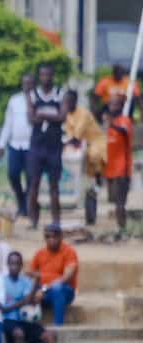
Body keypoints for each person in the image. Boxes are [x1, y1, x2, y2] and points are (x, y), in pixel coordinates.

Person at [1, 251, 78, 343]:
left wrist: (35, 288)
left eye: (17, 264)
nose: (14, 266)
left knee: (49, 336)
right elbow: (2, 309)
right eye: (12, 263)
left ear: (21, 266)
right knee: (18, 333)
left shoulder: (25, 281)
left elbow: (31, 301)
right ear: (7, 265)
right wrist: (23, 301)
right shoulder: (1, 282)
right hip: (8, 320)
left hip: (25, 320)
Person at [26, 63, 66, 229]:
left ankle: (56, 220)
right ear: (39, 76)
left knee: (54, 185)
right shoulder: (33, 94)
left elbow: (62, 117)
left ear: (52, 76)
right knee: (34, 183)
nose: (45, 78)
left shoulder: (59, 93)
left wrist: (42, 114)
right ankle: (34, 220)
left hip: (54, 147)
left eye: (48, 75)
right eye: (42, 75)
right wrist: (51, 115)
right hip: (37, 146)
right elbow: (31, 118)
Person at [0, 73, 34, 217]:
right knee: (13, 174)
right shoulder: (14, 100)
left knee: (31, 178)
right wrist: (1, 144)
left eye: (30, 83)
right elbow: (8, 123)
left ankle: (28, 206)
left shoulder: (38, 99)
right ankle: (21, 201)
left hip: (32, 146)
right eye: (25, 83)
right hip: (15, 145)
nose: (28, 86)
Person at [28, 224, 77, 326]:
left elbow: (66, 278)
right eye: (47, 237)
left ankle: (57, 327)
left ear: (61, 237)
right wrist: (35, 289)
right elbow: (31, 274)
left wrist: (44, 288)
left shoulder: (69, 252)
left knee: (57, 288)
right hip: (42, 292)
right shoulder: (40, 253)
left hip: (64, 292)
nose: (51, 239)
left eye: (54, 236)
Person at [63, 90, 107, 196]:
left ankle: (99, 182)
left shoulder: (84, 113)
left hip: (96, 141)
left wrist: (66, 142)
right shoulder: (67, 115)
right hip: (82, 143)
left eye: (69, 101)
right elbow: (69, 135)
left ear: (75, 101)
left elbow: (77, 135)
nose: (67, 104)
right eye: (65, 102)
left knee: (93, 155)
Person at [104, 94, 133, 237]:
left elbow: (123, 131)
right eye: (110, 104)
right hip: (110, 170)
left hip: (122, 170)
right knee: (115, 202)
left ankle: (122, 229)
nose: (112, 107)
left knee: (120, 203)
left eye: (115, 104)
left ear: (121, 106)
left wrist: (112, 125)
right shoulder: (112, 122)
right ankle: (120, 227)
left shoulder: (124, 121)